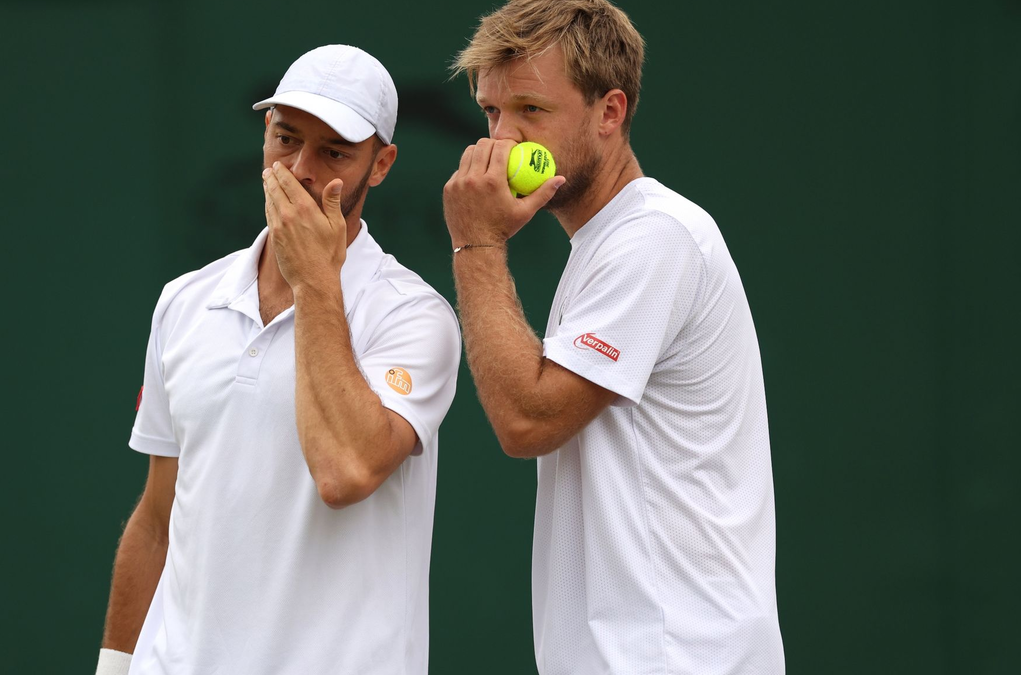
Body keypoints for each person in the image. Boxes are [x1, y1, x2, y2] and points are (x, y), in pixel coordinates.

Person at [95, 45, 461, 675]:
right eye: (286, 138)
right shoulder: (182, 303)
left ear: (382, 165)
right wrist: (114, 665)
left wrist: (316, 282)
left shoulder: (414, 318)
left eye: (334, 152)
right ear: (265, 134)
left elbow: (346, 472)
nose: (301, 169)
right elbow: (158, 518)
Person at [442, 1, 785, 673]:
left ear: (609, 112)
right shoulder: (612, 241)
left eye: (531, 112)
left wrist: (476, 244)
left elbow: (527, 418)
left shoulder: (654, 237)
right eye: (491, 113)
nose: (501, 141)